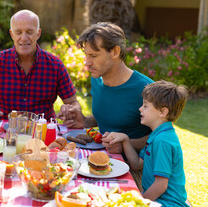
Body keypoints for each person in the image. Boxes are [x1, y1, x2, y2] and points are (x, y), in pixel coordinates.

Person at [58, 22, 153, 154]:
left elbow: (162, 136)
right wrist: (84, 121)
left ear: (115, 52)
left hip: (133, 167)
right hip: (102, 158)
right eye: (86, 55)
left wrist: (126, 144)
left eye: (93, 56)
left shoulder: (146, 89)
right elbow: (113, 117)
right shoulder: (97, 79)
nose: (87, 62)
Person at [108, 80, 190, 207]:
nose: (140, 109)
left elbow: (161, 185)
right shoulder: (157, 135)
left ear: (163, 112)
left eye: (145, 106)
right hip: (160, 204)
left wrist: (138, 203)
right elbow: (137, 164)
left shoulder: (162, 141)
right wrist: (125, 139)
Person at [0, 9, 81, 120]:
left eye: (29, 32)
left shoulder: (55, 65)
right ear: (12, 34)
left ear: (38, 33)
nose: (24, 38)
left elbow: (73, 103)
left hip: (43, 133)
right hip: (7, 132)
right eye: (18, 32)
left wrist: (70, 110)